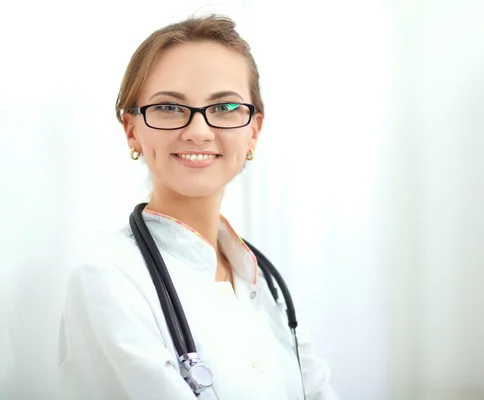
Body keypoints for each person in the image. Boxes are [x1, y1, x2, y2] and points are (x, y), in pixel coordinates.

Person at [57, 15, 337, 400]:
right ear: (132, 129)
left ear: (253, 130)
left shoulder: (265, 283)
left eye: (223, 107)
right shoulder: (108, 281)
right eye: (170, 108)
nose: (198, 131)